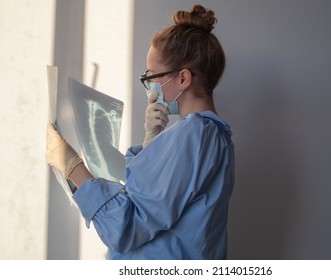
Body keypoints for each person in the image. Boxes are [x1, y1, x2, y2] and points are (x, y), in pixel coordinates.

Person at [46, 4, 235, 260]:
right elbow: (153, 203)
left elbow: (127, 227)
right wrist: (151, 144)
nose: (150, 87)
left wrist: (73, 167)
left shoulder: (194, 134)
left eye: (153, 77)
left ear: (183, 79)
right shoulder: (208, 134)